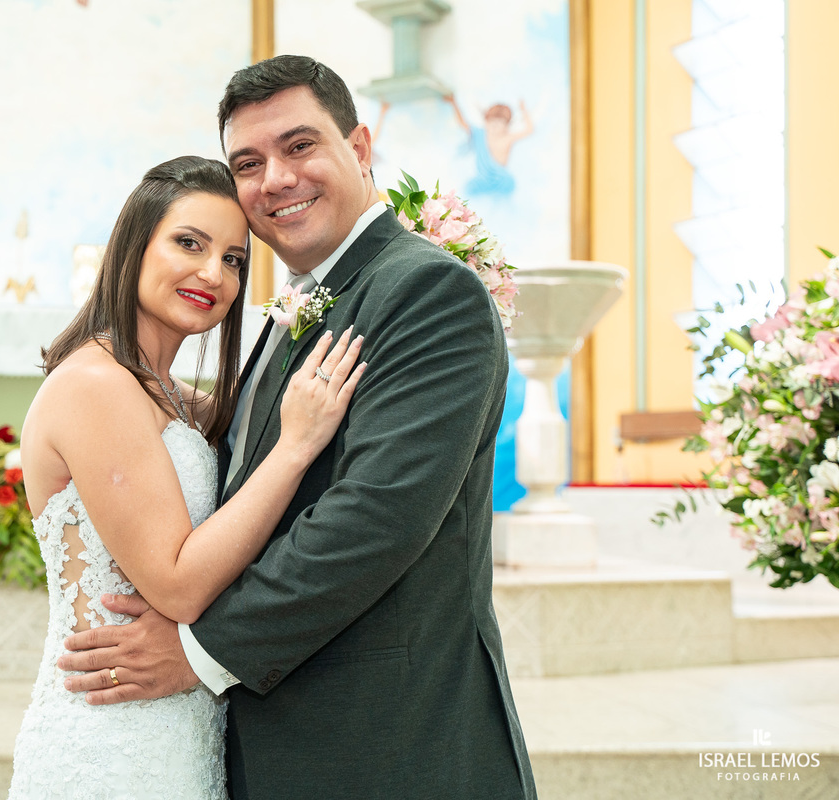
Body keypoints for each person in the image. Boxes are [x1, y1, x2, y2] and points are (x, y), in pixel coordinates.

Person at [59, 56, 538, 799]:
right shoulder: (297, 311)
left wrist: (200, 653)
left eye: (300, 146)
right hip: (275, 742)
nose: (275, 178)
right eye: (248, 162)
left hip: (388, 746)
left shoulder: (426, 290)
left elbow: (376, 517)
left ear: (360, 148)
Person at [7, 155, 365, 799]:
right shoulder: (95, 385)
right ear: (133, 246)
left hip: (180, 726)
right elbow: (175, 586)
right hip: (114, 743)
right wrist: (295, 447)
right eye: (189, 243)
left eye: (233, 258)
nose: (213, 274)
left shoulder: (171, 396)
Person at [445, 93, 534, 197]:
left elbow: (529, 130)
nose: (495, 125)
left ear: (507, 126)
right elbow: (463, 123)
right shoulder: (480, 134)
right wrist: (454, 104)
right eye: (491, 121)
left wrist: (523, 110)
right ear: (486, 122)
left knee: (507, 189)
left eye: (500, 122)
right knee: (468, 189)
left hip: (502, 181)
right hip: (482, 181)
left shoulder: (507, 138)